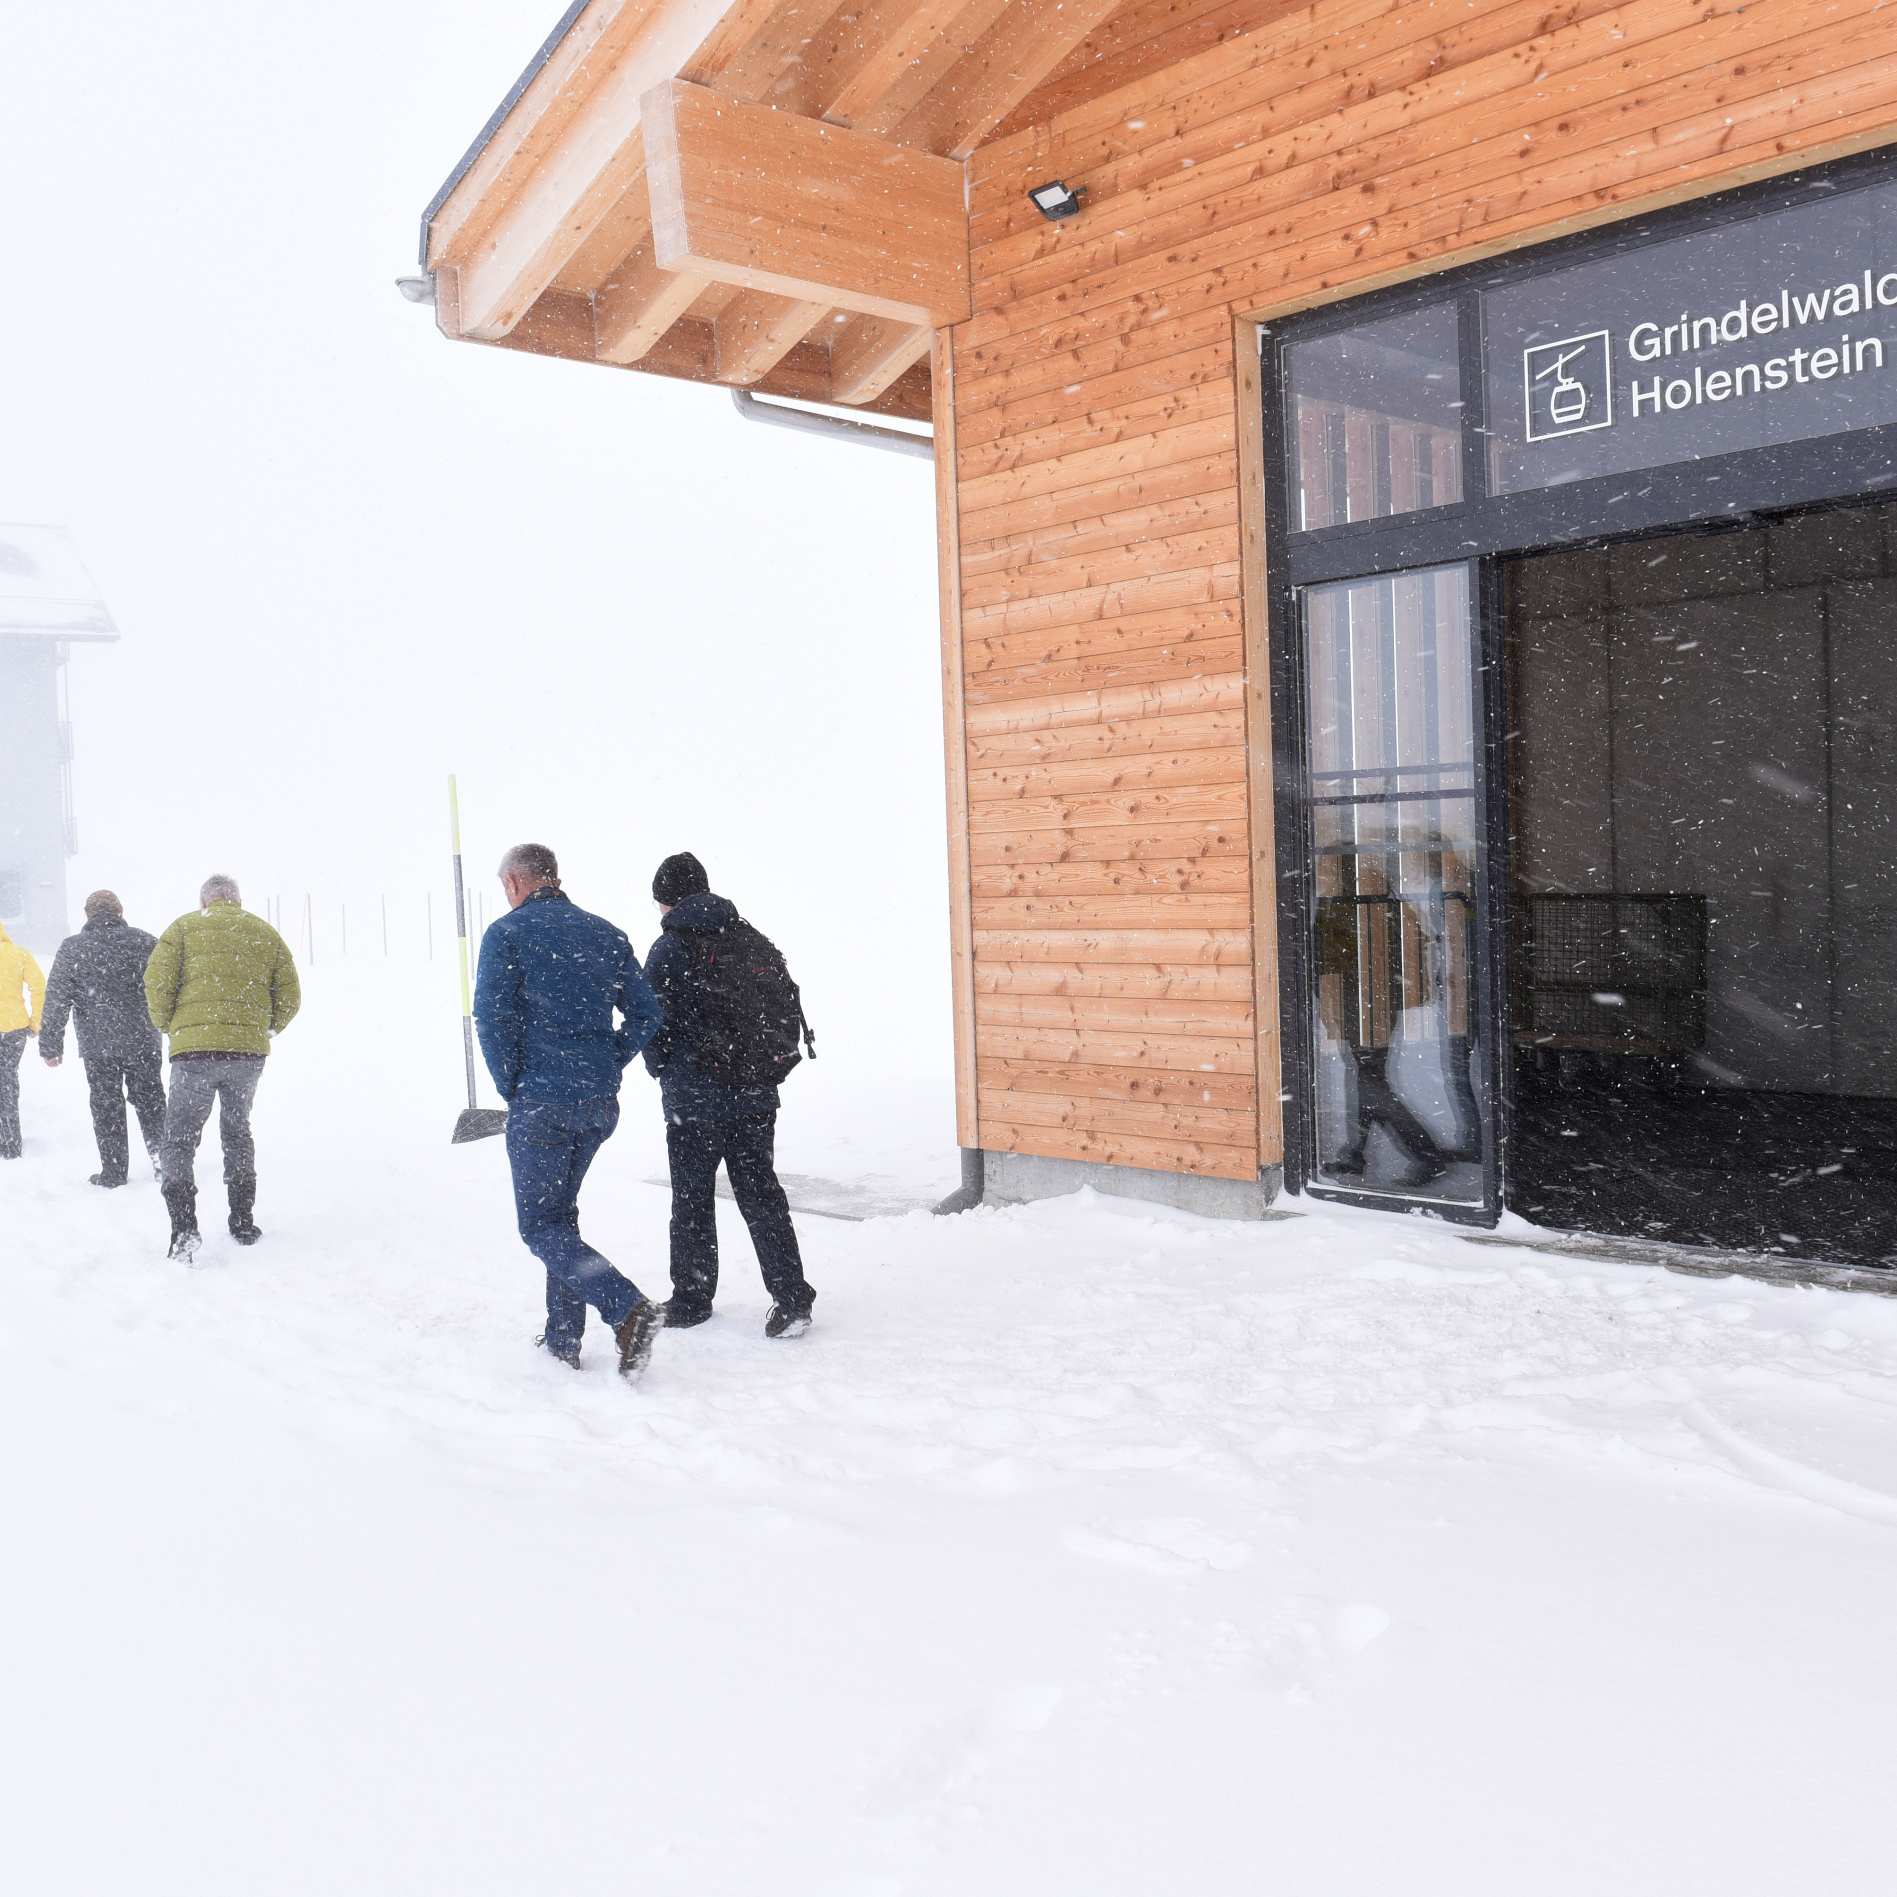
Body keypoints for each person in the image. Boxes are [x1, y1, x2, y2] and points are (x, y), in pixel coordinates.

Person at [473, 842, 665, 1383]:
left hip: (543, 1101)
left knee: (539, 1225)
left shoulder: (507, 934)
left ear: (515, 882)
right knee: (561, 1217)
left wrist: (513, 1084)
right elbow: (647, 1013)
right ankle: (563, 1338)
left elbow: (490, 1020)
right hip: (597, 1104)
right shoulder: (605, 933)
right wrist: (609, 1060)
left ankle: (626, 1308)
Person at [643, 852, 816, 1338]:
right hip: (755, 1093)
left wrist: (666, 1072)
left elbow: (651, 1022)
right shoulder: (751, 938)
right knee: (761, 1194)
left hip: (695, 1101)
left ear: (668, 899)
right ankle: (791, 1297)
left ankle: (693, 1298)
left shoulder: (672, 947)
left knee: (693, 1199)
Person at [145, 874, 301, 1260]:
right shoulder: (264, 933)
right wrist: (264, 1028)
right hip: (246, 1055)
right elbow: (291, 995)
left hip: (193, 1055)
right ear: (236, 900)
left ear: (205, 901)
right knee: (237, 1131)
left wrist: (170, 1025)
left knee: (179, 1139)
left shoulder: (183, 928)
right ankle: (242, 1220)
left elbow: (156, 983)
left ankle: (183, 1229)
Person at [39, 890, 167, 1188]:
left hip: (98, 1045)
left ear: (87, 915)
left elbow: (57, 999)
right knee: (151, 1100)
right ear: (120, 911)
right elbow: (166, 987)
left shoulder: (73, 948)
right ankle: (164, 1162)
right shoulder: (145, 942)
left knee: (106, 1104)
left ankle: (113, 1172)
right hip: (143, 1038)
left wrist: (50, 1045)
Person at [0, 919, 47, 1160]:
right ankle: (10, 1142)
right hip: (14, 1027)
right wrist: (35, 1021)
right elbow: (39, 987)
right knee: (7, 1079)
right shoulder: (19, 954)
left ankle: (6, 1139)